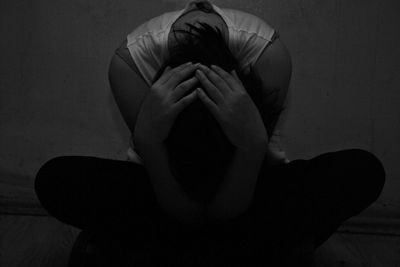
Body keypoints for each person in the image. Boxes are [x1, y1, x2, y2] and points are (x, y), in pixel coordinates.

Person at [34, 1, 386, 266]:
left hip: (248, 182)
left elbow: (236, 197)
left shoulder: (268, 55)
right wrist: (151, 145)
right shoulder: (130, 65)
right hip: (167, 183)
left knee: (361, 169)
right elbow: (172, 199)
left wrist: (250, 145)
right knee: (57, 178)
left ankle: (151, 248)